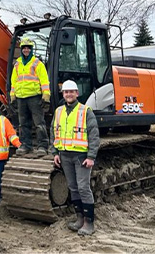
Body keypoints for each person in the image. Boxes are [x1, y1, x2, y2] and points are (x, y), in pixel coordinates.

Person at [50, 80, 100, 236]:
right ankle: (79, 218)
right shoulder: (58, 112)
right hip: (65, 155)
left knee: (83, 187)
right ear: (63, 94)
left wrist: (91, 156)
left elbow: (94, 135)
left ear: (77, 93)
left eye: (71, 91)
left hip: (81, 156)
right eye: (66, 92)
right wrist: (55, 153)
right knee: (73, 187)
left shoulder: (85, 111)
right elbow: (54, 132)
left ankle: (89, 223)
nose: (69, 94)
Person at [10, 37, 51, 157]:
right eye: (24, 48)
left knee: (39, 123)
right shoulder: (17, 64)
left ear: (31, 50)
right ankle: (25, 145)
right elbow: (14, 82)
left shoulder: (37, 63)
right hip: (21, 98)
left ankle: (42, 146)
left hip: (34, 97)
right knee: (23, 123)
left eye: (28, 48)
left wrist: (46, 95)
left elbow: (44, 80)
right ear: (21, 49)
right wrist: (13, 96)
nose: (26, 50)